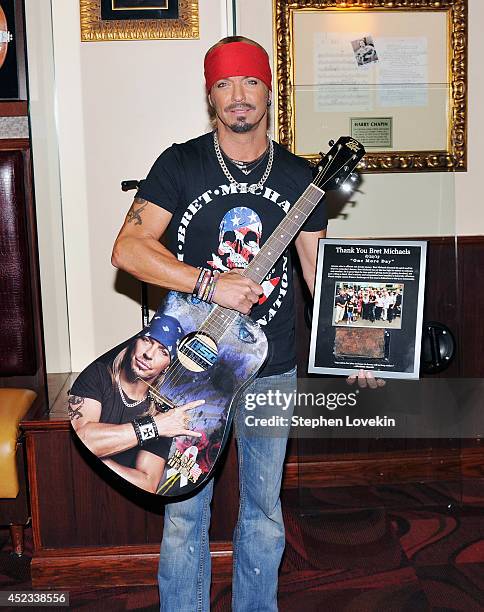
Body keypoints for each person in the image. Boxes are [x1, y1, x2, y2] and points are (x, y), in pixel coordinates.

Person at [111, 35, 379, 612]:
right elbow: (128, 250)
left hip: (272, 367)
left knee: (263, 511)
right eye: (225, 83)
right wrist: (210, 282)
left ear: (268, 89)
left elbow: (316, 266)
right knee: (184, 513)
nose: (238, 95)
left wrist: (355, 348)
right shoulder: (180, 163)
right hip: (191, 368)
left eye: (250, 81)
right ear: (210, 95)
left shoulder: (300, 177)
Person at [68, 313, 203, 494]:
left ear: (168, 366)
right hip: (76, 485)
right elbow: (83, 441)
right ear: (135, 342)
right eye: (147, 341)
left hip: (124, 502)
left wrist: (99, 456)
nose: (148, 354)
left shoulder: (163, 413)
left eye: (163, 351)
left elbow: (147, 483)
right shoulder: (97, 376)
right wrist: (154, 426)